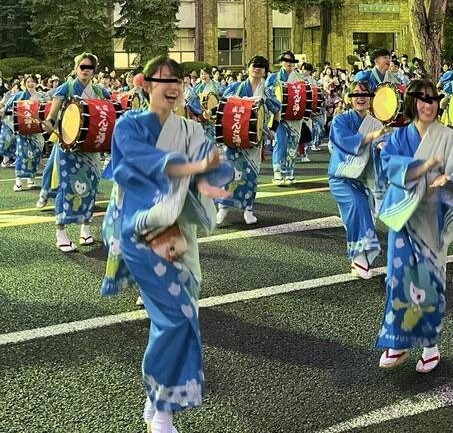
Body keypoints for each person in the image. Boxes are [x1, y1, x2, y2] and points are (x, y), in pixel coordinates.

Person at [100, 56, 233, 433]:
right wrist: (194, 168)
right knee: (174, 319)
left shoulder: (190, 129)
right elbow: (145, 164)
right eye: (164, 81)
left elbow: (215, 166)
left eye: (178, 81)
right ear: (146, 84)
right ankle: (161, 408)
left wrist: (215, 174)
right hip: (142, 233)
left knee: (184, 315)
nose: (172, 88)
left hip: (179, 234)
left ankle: (156, 400)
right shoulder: (128, 126)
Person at [376, 79, 453, 373]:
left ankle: (430, 345)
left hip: (432, 217)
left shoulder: (449, 137)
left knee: (429, 279)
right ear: (412, 101)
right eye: (421, 98)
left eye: (432, 99)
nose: (427, 104)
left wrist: (449, 179)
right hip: (404, 216)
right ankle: (399, 339)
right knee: (398, 275)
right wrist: (426, 166)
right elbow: (391, 167)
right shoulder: (399, 136)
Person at [39, 53, 111, 251]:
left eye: (90, 67)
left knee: (91, 187)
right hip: (68, 148)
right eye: (83, 66)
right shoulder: (66, 88)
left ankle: (85, 230)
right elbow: (53, 116)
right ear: (76, 67)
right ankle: (60, 233)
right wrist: (49, 124)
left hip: (90, 149)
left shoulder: (99, 91)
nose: (86, 70)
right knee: (66, 188)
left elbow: (109, 111)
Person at [328, 81, 388, 278]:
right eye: (355, 94)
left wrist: (382, 147)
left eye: (365, 93)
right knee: (357, 207)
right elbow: (345, 141)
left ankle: (360, 258)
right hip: (341, 178)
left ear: (371, 98)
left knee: (363, 215)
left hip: (363, 181)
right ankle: (358, 258)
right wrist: (372, 138)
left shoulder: (377, 123)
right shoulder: (340, 120)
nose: (360, 97)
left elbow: (382, 143)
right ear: (349, 98)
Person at [216, 55, 281, 225]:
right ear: (248, 68)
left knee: (251, 175)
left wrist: (273, 129)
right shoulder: (236, 87)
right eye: (254, 65)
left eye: (261, 66)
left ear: (265, 71)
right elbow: (223, 104)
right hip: (234, 136)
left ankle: (248, 210)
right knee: (229, 173)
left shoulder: (266, 92)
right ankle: (223, 209)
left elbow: (277, 109)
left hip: (253, 140)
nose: (257, 68)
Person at [266, 51, 304, 185]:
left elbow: (307, 95)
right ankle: (277, 173)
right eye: (286, 60)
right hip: (280, 117)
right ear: (282, 62)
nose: (288, 63)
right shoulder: (274, 77)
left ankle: (289, 173)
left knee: (293, 145)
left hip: (296, 116)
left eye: (291, 61)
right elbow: (266, 93)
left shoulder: (300, 78)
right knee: (280, 143)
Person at [11, 75, 46, 191]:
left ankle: (31, 179)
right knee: (22, 155)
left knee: (35, 155)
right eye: (28, 82)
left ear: (36, 83)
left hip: (36, 132)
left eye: (33, 82)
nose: (31, 84)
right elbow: (9, 108)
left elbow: (47, 110)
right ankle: (19, 182)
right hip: (23, 131)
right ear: (25, 84)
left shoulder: (41, 96)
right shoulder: (19, 96)